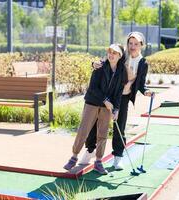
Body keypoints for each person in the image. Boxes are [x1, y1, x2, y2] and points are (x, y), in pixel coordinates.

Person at [79, 32, 154, 170]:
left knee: (120, 126)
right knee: (95, 123)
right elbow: (105, 62)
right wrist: (94, 64)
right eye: (130, 43)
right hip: (108, 94)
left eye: (136, 44)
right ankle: (90, 150)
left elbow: (141, 84)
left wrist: (147, 91)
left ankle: (118, 157)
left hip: (123, 97)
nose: (132, 46)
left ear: (141, 45)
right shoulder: (122, 55)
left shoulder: (143, 63)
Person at [63, 44, 128, 175]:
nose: (111, 55)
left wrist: (116, 109)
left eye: (114, 53)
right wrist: (105, 100)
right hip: (92, 103)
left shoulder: (122, 72)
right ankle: (74, 157)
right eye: (110, 52)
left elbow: (119, 93)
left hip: (106, 108)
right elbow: (92, 88)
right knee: (83, 130)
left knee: (102, 134)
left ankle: (98, 162)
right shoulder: (99, 67)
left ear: (120, 56)